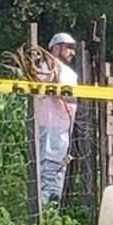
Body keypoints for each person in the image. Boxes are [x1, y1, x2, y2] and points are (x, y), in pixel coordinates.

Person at [37, 32, 79, 205]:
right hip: (51, 128)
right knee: (50, 171)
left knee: (56, 170)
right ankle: (47, 212)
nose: (72, 52)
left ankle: (48, 210)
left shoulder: (65, 72)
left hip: (62, 128)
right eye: (68, 48)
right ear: (55, 48)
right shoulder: (44, 69)